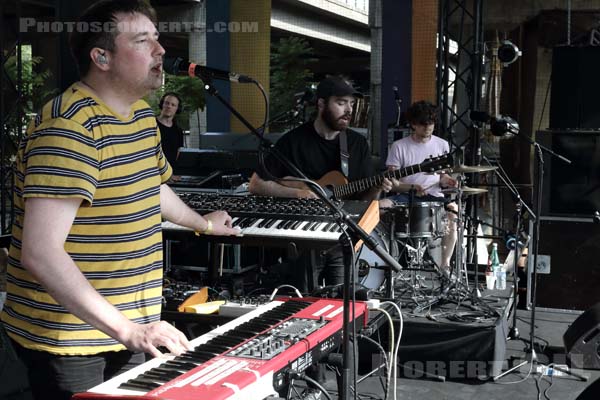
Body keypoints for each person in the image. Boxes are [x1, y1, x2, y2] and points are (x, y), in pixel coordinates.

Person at [0, 1, 239, 399]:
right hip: (70, 342)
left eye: (158, 40)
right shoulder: (70, 128)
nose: (161, 52)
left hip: (128, 329)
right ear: (102, 57)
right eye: (144, 41)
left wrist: (204, 223)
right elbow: (40, 252)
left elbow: (153, 189)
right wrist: (128, 329)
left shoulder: (142, 118)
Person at [248, 75, 392, 291]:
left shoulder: (356, 144)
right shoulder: (293, 141)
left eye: (351, 104)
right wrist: (298, 194)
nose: (349, 110)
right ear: (321, 103)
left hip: (342, 239)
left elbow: (362, 202)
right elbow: (256, 185)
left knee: (344, 303)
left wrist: (377, 190)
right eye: (341, 103)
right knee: (303, 301)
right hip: (303, 237)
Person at [382, 100, 458, 273]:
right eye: (423, 124)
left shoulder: (442, 145)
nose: (428, 127)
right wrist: (411, 187)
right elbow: (392, 182)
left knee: (454, 210)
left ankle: (445, 265)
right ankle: (385, 264)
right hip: (405, 195)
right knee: (379, 207)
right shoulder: (399, 146)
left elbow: (443, 175)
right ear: (413, 124)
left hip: (434, 196)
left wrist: (447, 180)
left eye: (431, 123)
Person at [156, 92, 184, 167]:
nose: (169, 106)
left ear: (177, 109)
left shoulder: (178, 131)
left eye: (173, 105)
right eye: (167, 103)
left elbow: (177, 155)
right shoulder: (151, 124)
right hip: (152, 172)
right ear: (162, 104)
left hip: (170, 173)